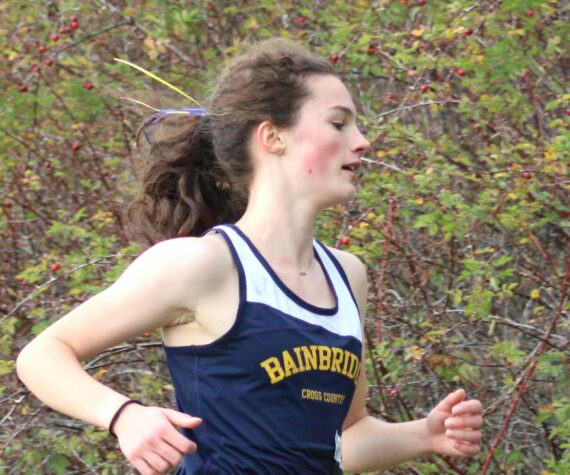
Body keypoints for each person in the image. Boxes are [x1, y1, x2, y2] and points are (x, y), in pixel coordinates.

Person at [17, 37, 483, 475]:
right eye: (339, 124)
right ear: (272, 137)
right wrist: (123, 415)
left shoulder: (347, 276)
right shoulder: (201, 265)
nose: (362, 141)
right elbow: (42, 355)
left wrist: (423, 435)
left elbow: (345, 437)